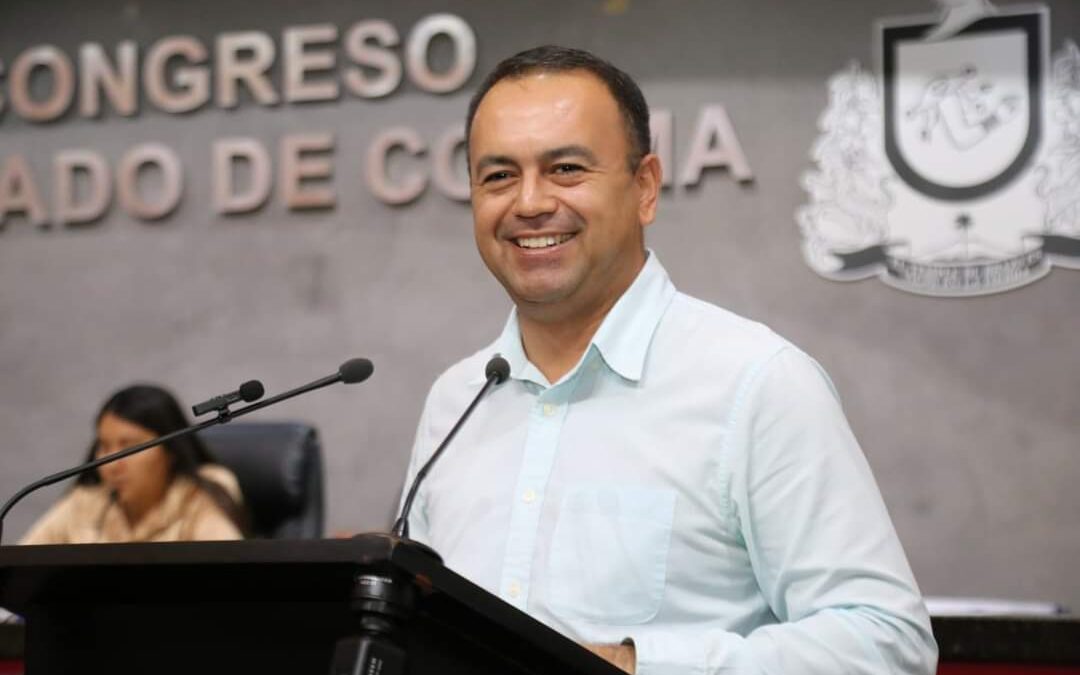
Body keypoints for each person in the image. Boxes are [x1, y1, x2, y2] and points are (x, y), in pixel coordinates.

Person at [400, 46, 937, 674]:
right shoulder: (457, 399)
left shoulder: (756, 383)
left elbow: (886, 644)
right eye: (498, 176)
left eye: (566, 168)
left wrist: (636, 668)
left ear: (645, 188)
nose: (530, 202)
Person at [21, 384, 246, 544]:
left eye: (129, 447)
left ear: (170, 451)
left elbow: (230, 572)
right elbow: (19, 568)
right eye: (104, 446)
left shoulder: (200, 492)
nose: (111, 464)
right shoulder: (86, 502)